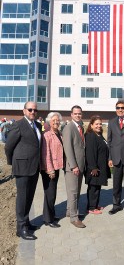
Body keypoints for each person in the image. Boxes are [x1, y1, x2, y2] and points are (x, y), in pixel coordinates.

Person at [5, 102, 42, 240]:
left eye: (35, 110)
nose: (33, 111)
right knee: (22, 198)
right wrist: (13, 162)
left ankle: (26, 222)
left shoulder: (37, 125)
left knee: (29, 196)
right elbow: (8, 147)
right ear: (24, 110)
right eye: (30, 109)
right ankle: (21, 229)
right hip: (22, 167)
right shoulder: (18, 125)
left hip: (34, 167)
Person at [62, 105, 86, 228]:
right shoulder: (69, 128)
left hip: (80, 166)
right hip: (73, 167)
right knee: (73, 193)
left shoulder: (80, 126)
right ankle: (74, 217)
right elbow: (68, 149)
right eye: (75, 113)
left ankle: (69, 211)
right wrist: (74, 166)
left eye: (79, 113)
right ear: (71, 114)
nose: (78, 115)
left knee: (75, 191)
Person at [41, 112, 64, 228]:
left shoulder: (59, 133)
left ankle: (51, 215)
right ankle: (48, 220)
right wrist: (49, 170)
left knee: (52, 193)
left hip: (56, 167)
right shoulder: (47, 135)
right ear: (49, 122)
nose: (56, 122)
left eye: (57, 120)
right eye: (53, 120)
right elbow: (46, 154)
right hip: (49, 170)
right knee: (49, 194)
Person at [85, 115, 111, 214]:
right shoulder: (90, 135)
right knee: (93, 188)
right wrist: (93, 167)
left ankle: (95, 205)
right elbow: (90, 153)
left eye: (100, 124)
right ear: (91, 125)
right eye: (96, 124)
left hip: (100, 166)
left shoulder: (99, 135)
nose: (99, 126)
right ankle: (91, 208)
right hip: (94, 168)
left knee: (97, 187)